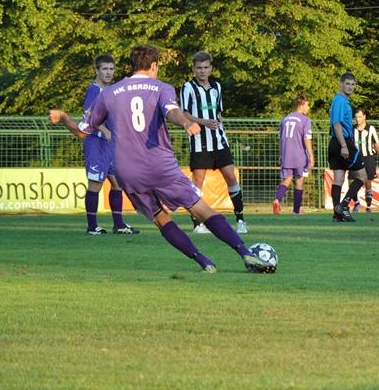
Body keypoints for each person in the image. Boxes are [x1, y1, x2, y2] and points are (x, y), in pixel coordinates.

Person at [49, 44, 270, 273]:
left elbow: (83, 131)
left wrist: (63, 117)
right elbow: (172, 112)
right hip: (159, 165)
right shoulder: (161, 88)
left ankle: (204, 262)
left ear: (131, 65)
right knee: (201, 210)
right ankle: (245, 253)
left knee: (161, 218)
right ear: (154, 65)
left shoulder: (109, 93)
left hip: (127, 171)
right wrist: (185, 122)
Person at [180, 51, 247, 234]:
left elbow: (218, 112)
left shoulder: (217, 86)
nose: (202, 71)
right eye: (199, 68)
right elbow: (184, 113)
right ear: (193, 69)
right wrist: (203, 122)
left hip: (219, 141)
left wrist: (219, 124)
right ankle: (197, 223)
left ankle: (240, 220)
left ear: (211, 68)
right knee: (198, 182)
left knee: (231, 177)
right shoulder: (188, 88)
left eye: (205, 67)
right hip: (200, 142)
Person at [80, 54, 139, 235]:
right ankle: (92, 227)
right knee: (95, 183)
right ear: (97, 70)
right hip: (96, 142)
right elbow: (89, 115)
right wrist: (104, 130)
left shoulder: (112, 90)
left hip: (111, 144)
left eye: (111, 69)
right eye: (105, 69)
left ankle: (119, 225)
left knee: (117, 182)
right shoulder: (94, 90)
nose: (108, 72)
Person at [328, 73, 367, 222]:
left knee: (338, 178)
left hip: (336, 141)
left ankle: (337, 215)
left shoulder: (343, 101)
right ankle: (344, 205)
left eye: (352, 84)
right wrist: (344, 145)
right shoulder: (339, 100)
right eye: (347, 83)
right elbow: (336, 123)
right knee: (362, 176)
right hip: (342, 142)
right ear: (341, 84)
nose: (350, 87)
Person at [273, 94, 314, 215]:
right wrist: (311, 156)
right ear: (301, 105)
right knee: (299, 181)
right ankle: (296, 210)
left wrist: (281, 155)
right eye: (307, 105)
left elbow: (280, 139)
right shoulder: (305, 120)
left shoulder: (285, 119)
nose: (308, 108)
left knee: (287, 179)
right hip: (299, 156)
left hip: (286, 155)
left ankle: (277, 199)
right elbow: (307, 139)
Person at [350, 107, 379, 213]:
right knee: (351, 182)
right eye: (356, 117)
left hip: (368, 158)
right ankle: (356, 202)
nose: (357, 119)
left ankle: (368, 206)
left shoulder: (371, 129)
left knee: (367, 182)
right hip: (355, 159)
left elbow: (377, 144)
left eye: (359, 117)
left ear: (364, 117)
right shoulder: (352, 129)